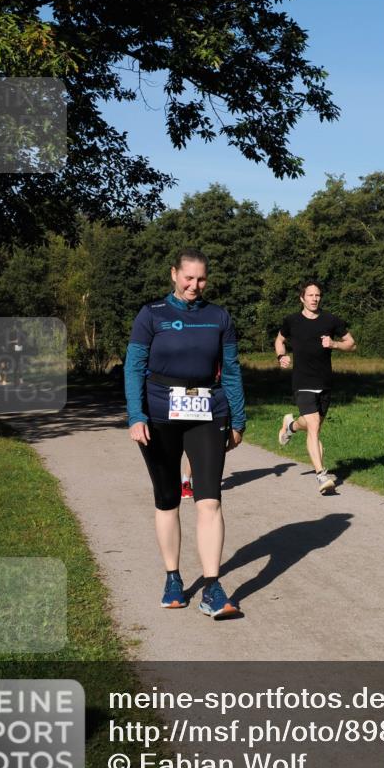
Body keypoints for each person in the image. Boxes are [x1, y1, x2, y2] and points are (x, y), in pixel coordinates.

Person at [125, 248, 246, 618]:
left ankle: (212, 587)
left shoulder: (218, 316)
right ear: (174, 274)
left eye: (201, 278)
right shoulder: (151, 315)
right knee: (168, 498)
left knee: (210, 500)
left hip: (208, 412)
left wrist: (238, 419)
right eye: (188, 277)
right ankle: (173, 578)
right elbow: (134, 367)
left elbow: (231, 368)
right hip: (159, 414)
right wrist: (136, 415)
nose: (195, 285)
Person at [275, 281, 357, 493]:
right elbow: (279, 340)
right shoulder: (292, 321)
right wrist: (281, 356)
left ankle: (291, 426)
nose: (314, 298)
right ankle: (321, 475)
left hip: (324, 382)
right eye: (310, 295)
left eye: (317, 295)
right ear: (302, 298)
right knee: (313, 426)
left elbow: (351, 343)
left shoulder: (331, 320)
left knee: (314, 426)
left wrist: (334, 344)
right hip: (302, 381)